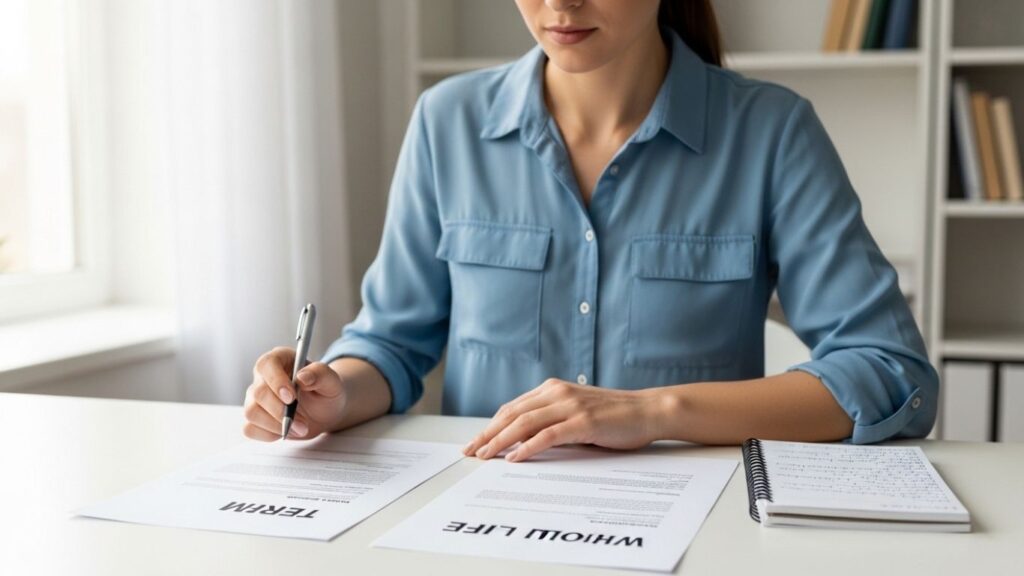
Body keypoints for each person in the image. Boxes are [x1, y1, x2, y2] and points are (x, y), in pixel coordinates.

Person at [242, 0, 938, 462]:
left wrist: (652, 412)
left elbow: (892, 373)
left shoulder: (772, 133)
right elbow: (392, 342)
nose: (560, 2)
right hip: (485, 525)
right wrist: (332, 391)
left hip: (699, 532)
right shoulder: (444, 122)